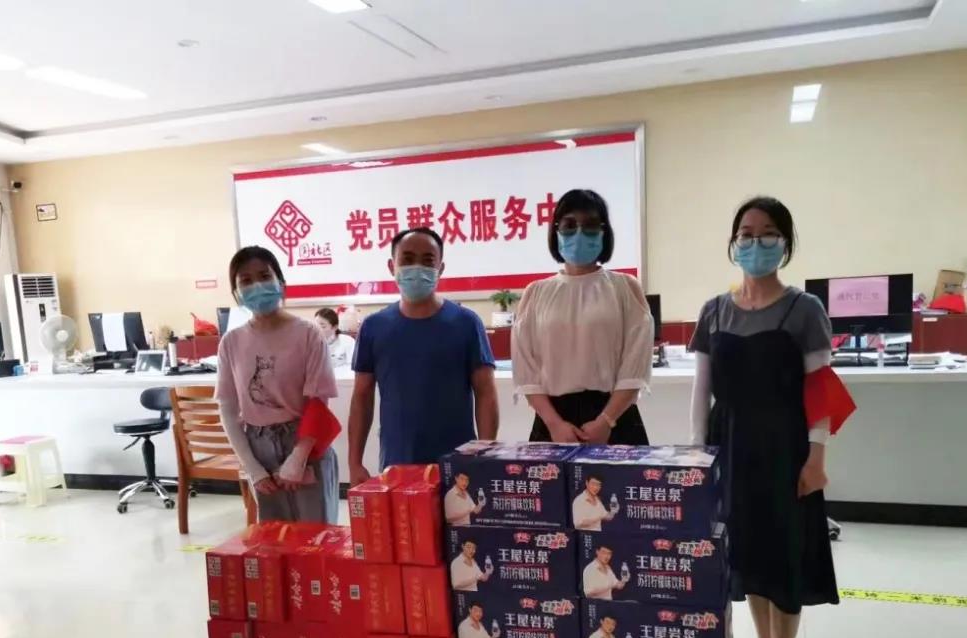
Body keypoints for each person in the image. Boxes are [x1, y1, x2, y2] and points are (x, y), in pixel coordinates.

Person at [689, 196, 854, 638]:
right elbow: (702, 389)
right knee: (751, 561)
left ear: (785, 242)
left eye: (767, 233)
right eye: (746, 233)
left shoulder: (804, 309)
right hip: (731, 446)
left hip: (786, 450)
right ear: (733, 241)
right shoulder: (715, 309)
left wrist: (817, 458)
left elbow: (820, 391)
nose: (754, 242)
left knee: (784, 562)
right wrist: (698, 453)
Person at [349, 228, 499, 483]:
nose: (417, 268)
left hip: (458, 466)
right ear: (392, 266)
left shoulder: (466, 323)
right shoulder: (374, 327)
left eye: (428, 261)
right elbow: (362, 398)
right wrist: (354, 463)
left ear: (441, 268)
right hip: (397, 464)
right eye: (407, 259)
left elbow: (485, 392)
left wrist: (484, 456)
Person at [512, 189, 653, 445]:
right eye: (569, 225)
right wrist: (554, 424)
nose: (579, 233)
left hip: (614, 419)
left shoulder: (625, 287)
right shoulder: (535, 293)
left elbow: (635, 366)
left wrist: (606, 421)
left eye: (590, 225)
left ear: (604, 232)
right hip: (552, 422)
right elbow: (526, 372)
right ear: (556, 231)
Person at [217, 246, 341, 523]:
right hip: (257, 448)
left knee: (316, 535)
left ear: (280, 282)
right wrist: (252, 468)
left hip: (305, 442)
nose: (256, 285)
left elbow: (318, 403)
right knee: (273, 538)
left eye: (264, 276)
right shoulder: (231, 342)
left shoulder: (308, 334)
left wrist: (298, 457)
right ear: (236, 292)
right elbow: (227, 408)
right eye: (246, 280)